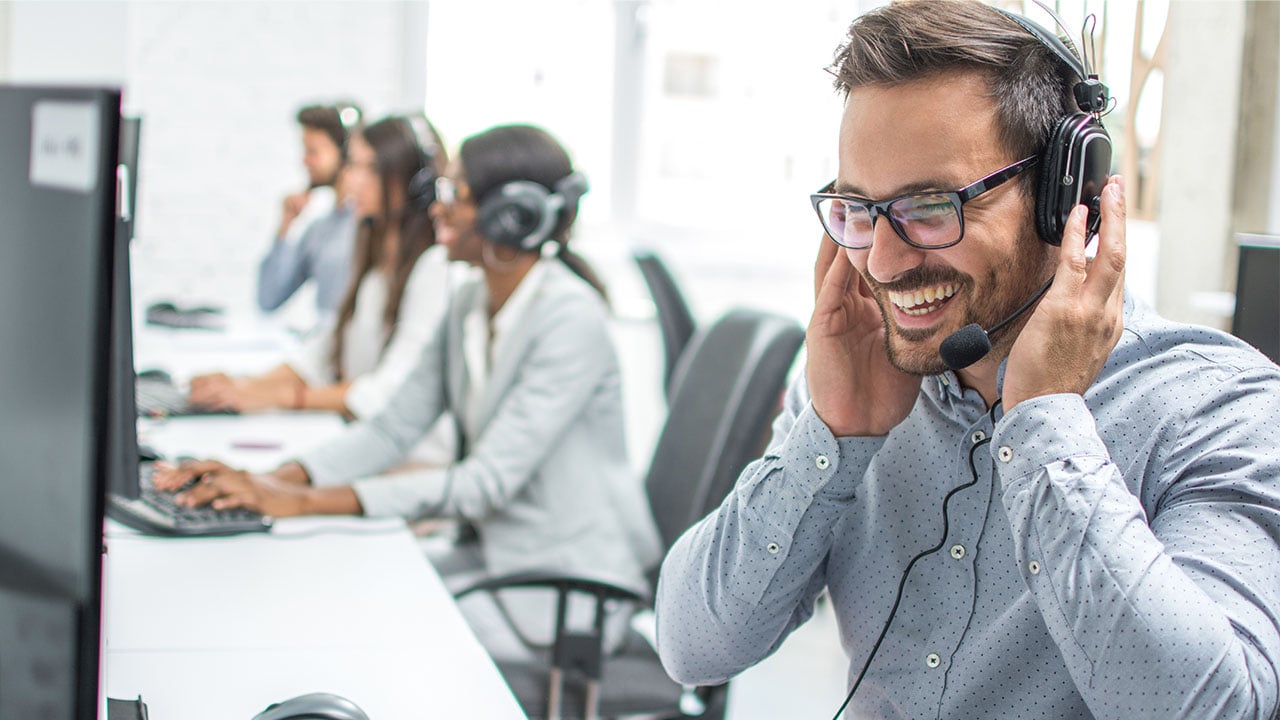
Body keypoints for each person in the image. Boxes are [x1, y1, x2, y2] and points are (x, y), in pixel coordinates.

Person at [655, 2, 1280, 719]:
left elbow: (1213, 710)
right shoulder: (870, 380)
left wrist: (1047, 423)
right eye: (859, 210)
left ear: (1064, 198)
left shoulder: (1220, 408)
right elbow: (690, 646)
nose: (883, 264)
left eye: (930, 206)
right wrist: (832, 435)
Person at [157, 123, 658, 661]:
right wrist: (267, 481)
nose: (437, 206)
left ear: (511, 217)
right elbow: (394, 428)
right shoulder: (470, 301)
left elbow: (484, 483)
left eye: (455, 192)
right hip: (492, 556)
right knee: (342, 589)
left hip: (565, 585)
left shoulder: (570, 318)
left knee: (378, 637)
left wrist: (302, 502)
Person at [191, 115, 456, 439]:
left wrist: (278, 397)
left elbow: (390, 389)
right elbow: (324, 348)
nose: (351, 179)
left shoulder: (434, 268)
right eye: (352, 165)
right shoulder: (375, 258)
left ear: (416, 183)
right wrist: (244, 385)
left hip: (403, 455)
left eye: (368, 168)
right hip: (359, 440)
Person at [257, 102, 362, 319]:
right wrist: (285, 226)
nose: (305, 161)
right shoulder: (319, 231)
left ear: (346, 153)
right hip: (324, 347)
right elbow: (268, 298)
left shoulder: (370, 225)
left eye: (312, 151)